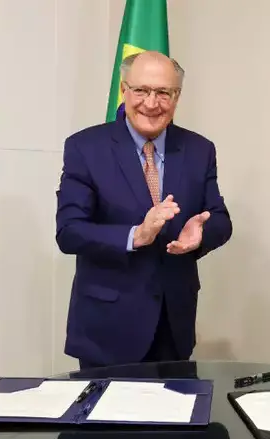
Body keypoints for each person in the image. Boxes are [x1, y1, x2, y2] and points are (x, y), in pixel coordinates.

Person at [55, 51, 232, 369]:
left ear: (177, 97)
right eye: (141, 90)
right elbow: (69, 232)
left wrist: (200, 235)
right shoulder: (85, 148)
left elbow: (220, 219)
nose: (151, 103)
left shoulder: (199, 149)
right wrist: (136, 235)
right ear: (124, 90)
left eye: (163, 92)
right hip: (107, 331)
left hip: (173, 326)